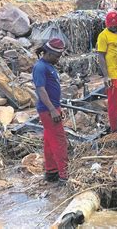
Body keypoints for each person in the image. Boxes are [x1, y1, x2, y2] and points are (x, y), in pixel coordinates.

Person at [32, 38, 69, 184]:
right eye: (57, 57)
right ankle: (64, 175)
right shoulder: (40, 67)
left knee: (49, 141)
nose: (58, 60)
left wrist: (57, 107)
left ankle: (51, 172)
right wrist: (53, 110)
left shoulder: (48, 65)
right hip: (48, 109)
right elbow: (40, 89)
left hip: (52, 107)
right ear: (48, 53)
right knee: (60, 142)